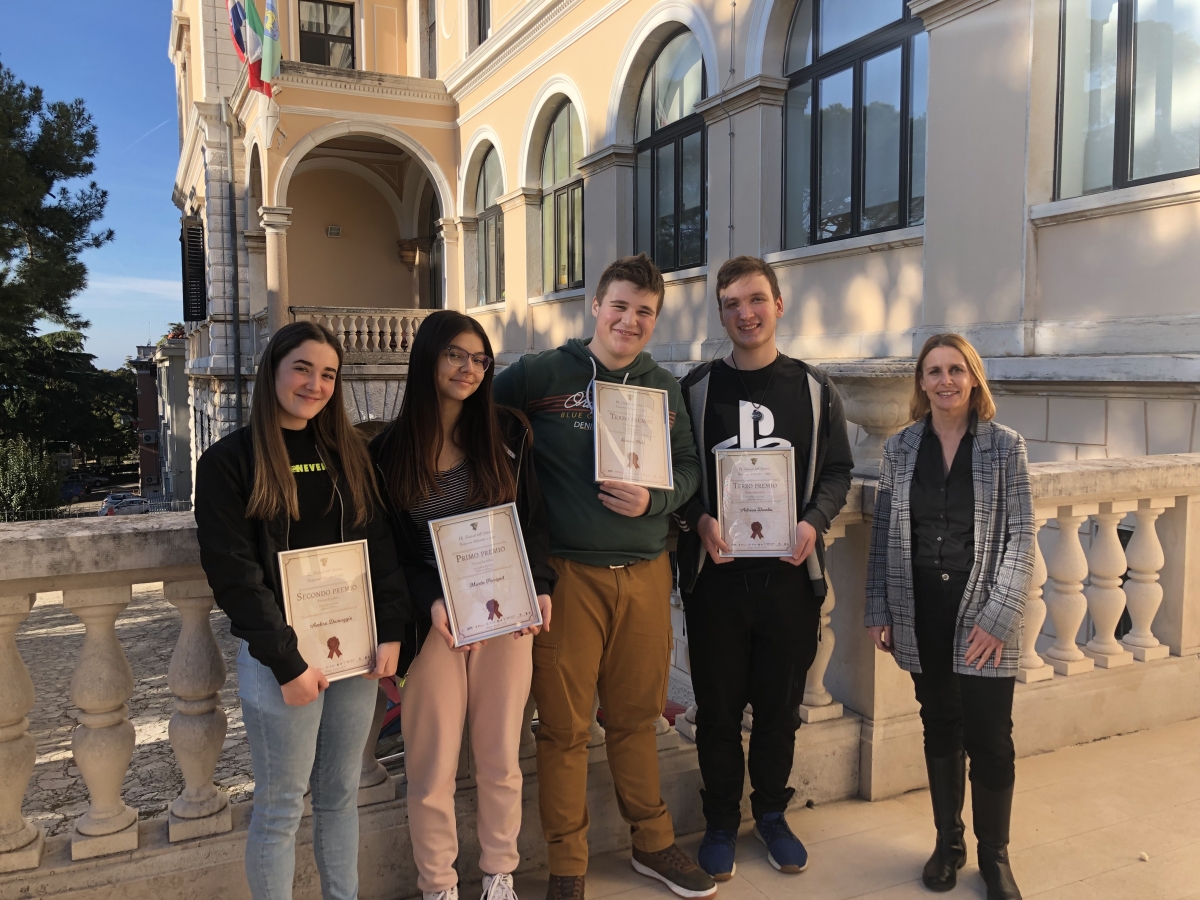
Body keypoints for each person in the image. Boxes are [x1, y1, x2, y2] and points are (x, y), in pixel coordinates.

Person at [493, 254, 712, 900]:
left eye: (645, 311)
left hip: (646, 573)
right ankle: (568, 866)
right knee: (562, 727)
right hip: (568, 577)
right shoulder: (541, 375)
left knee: (636, 718)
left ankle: (654, 843)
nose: (630, 320)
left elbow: (692, 471)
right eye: (620, 306)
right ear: (596, 306)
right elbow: (473, 418)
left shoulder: (664, 389)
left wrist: (658, 501)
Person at [195, 321, 411, 900]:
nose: (315, 384)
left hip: (354, 653)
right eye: (302, 368)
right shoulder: (228, 463)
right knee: (281, 804)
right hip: (279, 663)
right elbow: (234, 575)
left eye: (328, 374)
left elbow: (381, 549)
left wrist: (390, 632)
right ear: (273, 372)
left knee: (341, 794)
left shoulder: (349, 455)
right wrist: (287, 664)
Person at [674, 256, 853, 880]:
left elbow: (837, 473)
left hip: (788, 579)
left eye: (755, 299)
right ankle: (721, 820)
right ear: (720, 313)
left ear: (779, 304)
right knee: (718, 710)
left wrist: (812, 523)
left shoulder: (814, 389)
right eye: (731, 304)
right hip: (716, 581)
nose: (745, 313)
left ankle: (771, 815)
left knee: (780, 710)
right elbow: (680, 476)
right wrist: (699, 520)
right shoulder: (695, 389)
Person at [370, 310, 557, 900]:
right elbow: (391, 554)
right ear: (427, 357)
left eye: (480, 359)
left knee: (501, 756)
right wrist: (429, 604)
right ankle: (439, 887)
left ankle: (499, 875)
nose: (469, 368)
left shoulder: (508, 432)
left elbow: (532, 522)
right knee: (431, 767)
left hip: (504, 614)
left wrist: (542, 584)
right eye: (455, 354)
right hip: (435, 627)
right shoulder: (387, 452)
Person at [865, 333, 1035, 900]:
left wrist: (1000, 617)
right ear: (921, 382)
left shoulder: (1005, 447)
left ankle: (996, 857)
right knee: (938, 723)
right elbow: (886, 535)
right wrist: (878, 606)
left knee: (991, 735)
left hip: (984, 611)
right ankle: (948, 842)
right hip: (921, 609)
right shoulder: (899, 449)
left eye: (955, 370)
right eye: (934, 371)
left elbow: (1021, 538)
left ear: (973, 377)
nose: (945, 381)